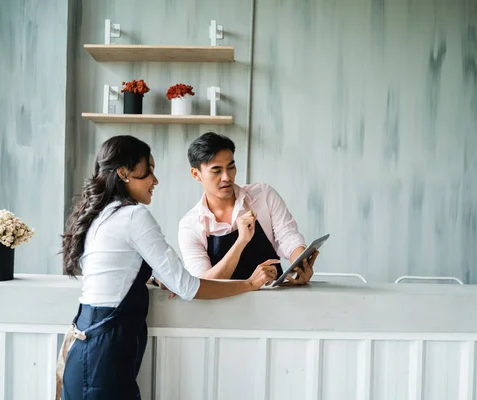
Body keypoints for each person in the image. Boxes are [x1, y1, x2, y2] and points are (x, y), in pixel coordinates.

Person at [57, 135, 277, 400]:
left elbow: (116, 275)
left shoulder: (103, 214)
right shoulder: (132, 216)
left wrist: (153, 279)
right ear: (124, 173)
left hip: (89, 347)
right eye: (148, 171)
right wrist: (249, 284)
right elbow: (188, 286)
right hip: (103, 356)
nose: (155, 180)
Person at [178, 132, 318, 284]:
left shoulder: (263, 195)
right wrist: (241, 241)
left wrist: (300, 267)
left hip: (274, 300)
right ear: (196, 174)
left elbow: (288, 238)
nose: (226, 177)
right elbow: (202, 283)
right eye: (216, 171)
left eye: (231, 167)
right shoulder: (190, 225)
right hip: (221, 306)